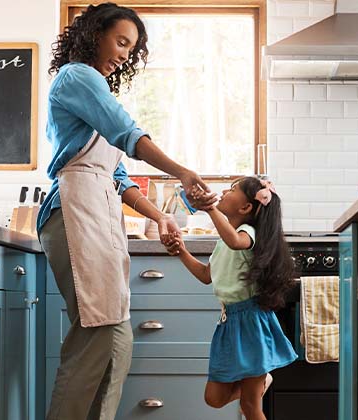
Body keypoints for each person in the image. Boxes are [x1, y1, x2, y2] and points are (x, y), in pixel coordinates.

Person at [38, 3, 215, 420]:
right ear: (94, 34)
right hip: (74, 210)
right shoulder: (77, 77)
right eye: (120, 41)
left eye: (130, 48)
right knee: (95, 336)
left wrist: (159, 216)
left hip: (97, 211)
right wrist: (183, 172)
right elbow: (128, 132)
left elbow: (118, 176)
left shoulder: (95, 89)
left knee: (117, 341)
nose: (123, 53)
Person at [165, 176, 299, 420]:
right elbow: (207, 275)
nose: (226, 190)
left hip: (252, 323)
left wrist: (210, 208)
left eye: (233, 188)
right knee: (213, 398)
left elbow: (236, 242)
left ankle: (256, 385)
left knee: (250, 407)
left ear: (246, 208)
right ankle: (261, 379)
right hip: (230, 323)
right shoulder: (223, 242)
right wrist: (181, 251)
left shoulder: (247, 233)